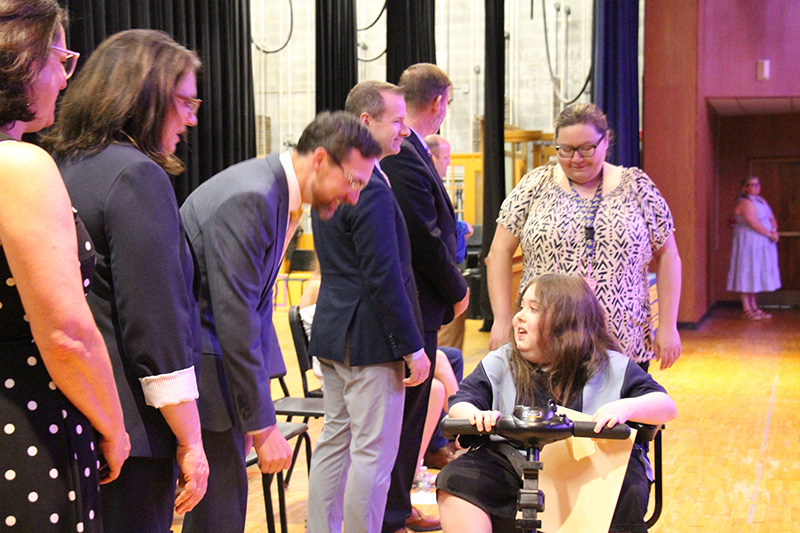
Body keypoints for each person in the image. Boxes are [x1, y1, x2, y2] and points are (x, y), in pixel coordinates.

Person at [180, 111, 381, 532]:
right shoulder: (252, 196)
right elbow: (234, 316)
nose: (354, 197)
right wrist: (263, 422)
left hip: (218, 371)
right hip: (203, 370)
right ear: (322, 160)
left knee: (224, 514)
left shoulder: (274, 193)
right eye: (354, 182)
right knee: (218, 518)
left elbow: (253, 307)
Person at [45, 29, 209, 530]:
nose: (193, 117)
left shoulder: (57, 166)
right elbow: (153, 328)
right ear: (145, 97)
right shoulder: (135, 176)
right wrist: (191, 440)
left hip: (67, 413)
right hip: (132, 433)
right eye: (184, 101)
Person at [0, 1, 130, 530]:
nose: (64, 78)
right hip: (26, 424)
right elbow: (67, 334)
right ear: (22, 62)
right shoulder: (17, 166)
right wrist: (114, 428)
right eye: (61, 58)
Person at [436, 274, 677, 533]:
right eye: (521, 307)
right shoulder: (501, 362)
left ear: (566, 323)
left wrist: (627, 408)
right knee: (456, 478)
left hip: (591, 467)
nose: (519, 316)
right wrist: (475, 415)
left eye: (533, 309)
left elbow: (666, 406)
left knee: (626, 486)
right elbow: (460, 404)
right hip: (512, 464)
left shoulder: (610, 366)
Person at [306, 80, 429, 533]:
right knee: (373, 453)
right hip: (370, 340)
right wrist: (412, 347)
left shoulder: (337, 174)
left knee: (337, 442)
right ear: (366, 122)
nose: (405, 130)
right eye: (396, 121)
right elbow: (384, 277)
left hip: (335, 332)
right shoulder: (370, 187)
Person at [486, 103, 682, 371]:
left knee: (617, 413)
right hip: (545, 340)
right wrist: (500, 319)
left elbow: (668, 255)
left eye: (587, 148)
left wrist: (668, 326)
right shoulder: (535, 185)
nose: (576, 158)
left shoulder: (637, 186)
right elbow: (498, 252)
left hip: (622, 340)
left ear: (606, 140)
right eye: (565, 150)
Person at [381, 63, 470, 533]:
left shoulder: (411, 149)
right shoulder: (402, 154)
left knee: (413, 414)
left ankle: (398, 505)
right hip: (415, 303)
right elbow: (424, 234)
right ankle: (392, 511)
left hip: (420, 303)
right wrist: (458, 289)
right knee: (406, 414)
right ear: (437, 103)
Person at [726, 176, 780, 320]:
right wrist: (769, 234)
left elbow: (771, 217)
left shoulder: (761, 201)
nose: (756, 187)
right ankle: (746, 308)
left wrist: (774, 230)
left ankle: (754, 306)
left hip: (760, 244)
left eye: (758, 184)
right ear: (745, 187)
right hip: (748, 243)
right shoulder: (745, 203)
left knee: (754, 272)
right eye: (752, 185)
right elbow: (754, 223)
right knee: (746, 270)